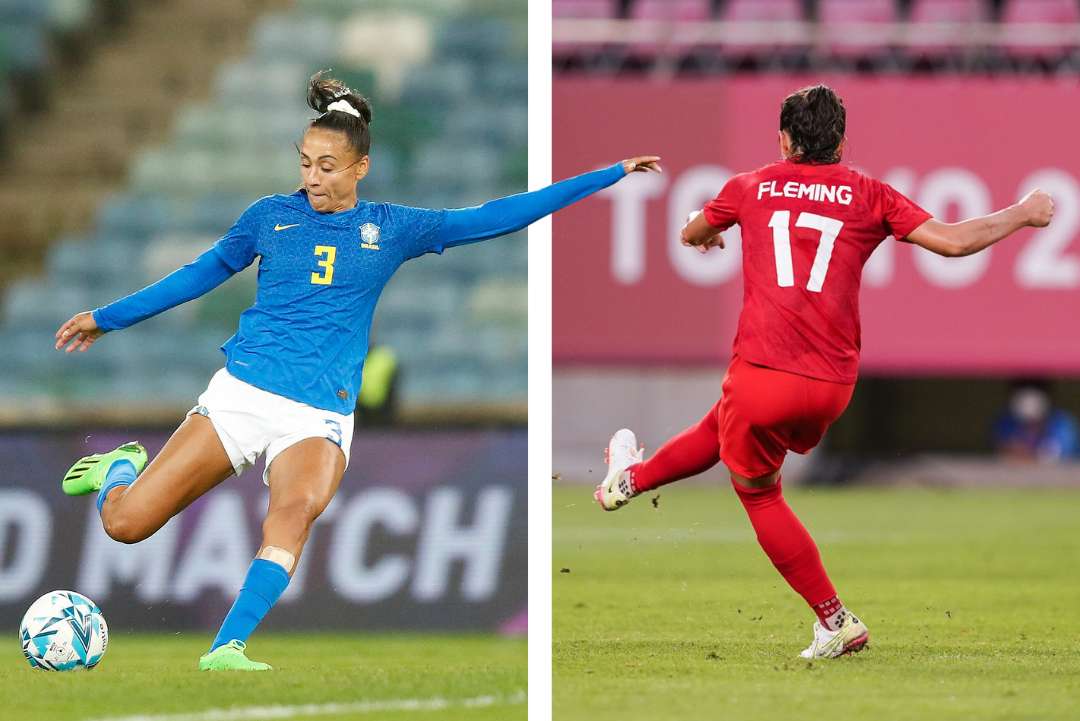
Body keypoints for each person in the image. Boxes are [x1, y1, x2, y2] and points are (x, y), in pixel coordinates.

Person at [55, 71, 661, 671]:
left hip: (320, 412)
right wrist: (107, 318)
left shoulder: (392, 228)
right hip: (241, 395)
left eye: (326, 166)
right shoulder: (269, 217)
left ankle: (226, 648)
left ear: (358, 168)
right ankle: (120, 468)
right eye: (305, 163)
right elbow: (199, 275)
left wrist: (607, 175)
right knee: (125, 524)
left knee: (293, 513)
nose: (312, 177)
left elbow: (498, 215)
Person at [594, 84, 1054, 659]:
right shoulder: (869, 194)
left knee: (758, 492)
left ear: (784, 138)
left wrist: (708, 232)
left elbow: (691, 233)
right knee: (724, 428)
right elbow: (955, 243)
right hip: (833, 385)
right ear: (839, 139)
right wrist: (1026, 212)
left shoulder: (751, 187)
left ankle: (836, 620)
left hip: (764, 370)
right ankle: (628, 482)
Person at [993, 379, 1079, 461]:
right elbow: (1002, 452)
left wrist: (1025, 455)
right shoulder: (1006, 421)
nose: (1028, 397)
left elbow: (1055, 458)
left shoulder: (1062, 423)